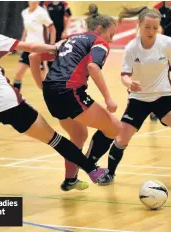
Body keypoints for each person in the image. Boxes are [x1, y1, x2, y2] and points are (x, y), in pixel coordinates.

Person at [0, 10, 112, 203]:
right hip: (8, 103)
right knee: (54, 139)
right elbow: (30, 46)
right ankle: (93, 170)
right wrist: (55, 46)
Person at [95, 6, 171, 184]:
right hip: (139, 100)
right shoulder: (132, 47)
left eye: (155, 28)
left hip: (164, 98)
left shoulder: (167, 43)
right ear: (139, 25)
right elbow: (124, 74)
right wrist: (129, 83)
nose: (151, 31)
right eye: (147, 27)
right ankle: (110, 173)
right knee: (122, 139)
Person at [29, 4, 122, 191]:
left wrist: (42, 85)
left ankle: (70, 180)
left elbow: (33, 57)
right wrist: (108, 98)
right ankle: (90, 165)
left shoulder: (68, 40)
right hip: (69, 91)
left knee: (78, 135)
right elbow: (93, 67)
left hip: (51, 93)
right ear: (100, 29)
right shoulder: (98, 41)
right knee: (114, 128)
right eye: (110, 36)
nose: (110, 41)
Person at [13, 1, 56, 92]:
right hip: (27, 47)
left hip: (39, 48)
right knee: (18, 74)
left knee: (43, 79)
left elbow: (52, 29)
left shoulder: (41, 13)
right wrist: (22, 41)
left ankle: (50, 95)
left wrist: (51, 46)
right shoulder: (24, 12)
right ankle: (16, 97)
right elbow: (26, 28)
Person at [43, 1, 72, 69]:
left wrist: (65, 30)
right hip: (49, 32)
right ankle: (50, 69)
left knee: (60, 50)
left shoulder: (64, 4)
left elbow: (69, 16)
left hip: (60, 31)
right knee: (50, 50)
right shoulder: (46, 4)